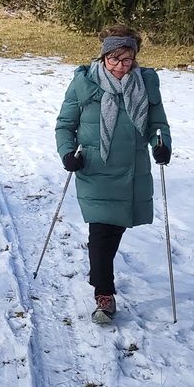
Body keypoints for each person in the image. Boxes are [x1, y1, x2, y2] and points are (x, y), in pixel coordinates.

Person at [54, 25, 172, 325]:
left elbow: (157, 123)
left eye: (127, 60)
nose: (120, 66)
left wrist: (162, 144)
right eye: (114, 59)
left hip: (131, 169)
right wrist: (68, 153)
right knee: (101, 232)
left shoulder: (145, 83)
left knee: (114, 229)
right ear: (104, 56)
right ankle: (104, 294)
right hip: (95, 167)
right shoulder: (85, 83)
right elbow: (65, 123)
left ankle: (99, 274)